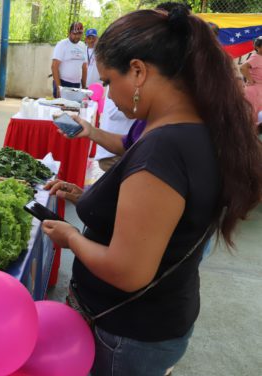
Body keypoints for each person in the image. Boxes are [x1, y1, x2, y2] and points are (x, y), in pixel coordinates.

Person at [41, 6, 262, 376]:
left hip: (128, 331)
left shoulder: (164, 147)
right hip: (159, 317)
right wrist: (88, 197)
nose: (108, 95)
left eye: (109, 81)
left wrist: (70, 237)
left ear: (139, 71)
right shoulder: (197, 127)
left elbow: (129, 272)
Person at [51, 22, 88, 98]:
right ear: (69, 33)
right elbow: (54, 66)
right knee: (60, 108)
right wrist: (59, 88)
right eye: (74, 34)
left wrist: (84, 86)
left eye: (80, 34)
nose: (77, 36)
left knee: (73, 108)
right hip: (63, 83)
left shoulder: (83, 46)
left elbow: (84, 67)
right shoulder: (62, 45)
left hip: (76, 85)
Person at [241, 37, 262, 115]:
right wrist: (250, 80)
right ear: (257, 47)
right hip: (255, 90)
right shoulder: (256, 57)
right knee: (253, 114)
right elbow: (243, 67)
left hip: (259, 90)